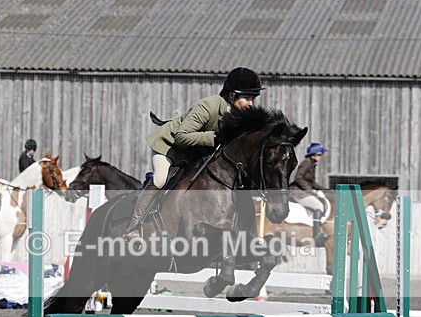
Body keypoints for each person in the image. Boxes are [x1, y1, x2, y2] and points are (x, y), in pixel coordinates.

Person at [124, 67, 264, 239]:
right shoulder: (208, 106)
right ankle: (133, 227)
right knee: (160, 179)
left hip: (194, 152)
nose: (251, 103)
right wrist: (215, 137)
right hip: (170, 147)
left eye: (253, 98)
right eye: (247, 98)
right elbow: (181, 137)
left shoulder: (241, 116)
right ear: (232, 95)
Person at [290, 142, 329, 245]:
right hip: (297, 192)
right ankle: (316, 234)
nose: (321, 157)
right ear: (314, 154)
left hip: (303, 191)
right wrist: (310, 190)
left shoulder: (312, 164)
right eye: (320, 154)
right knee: (319, 206)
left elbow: (312, 183)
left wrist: (325, 189)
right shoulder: (306, 163)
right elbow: (298, 178)